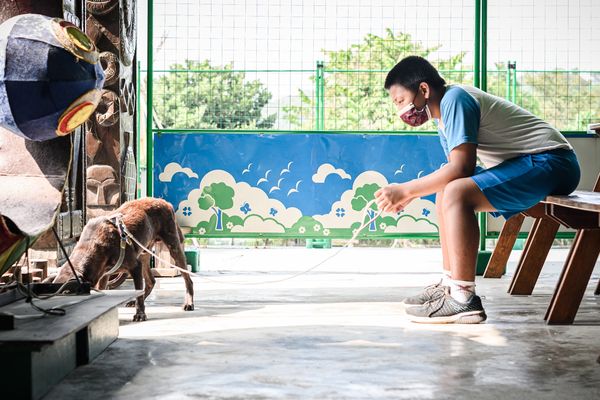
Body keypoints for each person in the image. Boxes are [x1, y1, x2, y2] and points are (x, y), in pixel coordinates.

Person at [375, 56, 580, 324]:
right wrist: (409, 193)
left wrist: (405, 190)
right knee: (447, 190)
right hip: (531, 163)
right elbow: (455, 171)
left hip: (553, 162)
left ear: (423, 90)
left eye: (400, 101)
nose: (400, 111)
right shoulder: (443, 116)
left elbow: (461, 168)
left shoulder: (454, 99)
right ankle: (451, 283)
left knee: (456, 192)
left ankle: (462, 297)